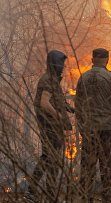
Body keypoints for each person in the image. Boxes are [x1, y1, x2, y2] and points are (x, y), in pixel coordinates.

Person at [74, 48, 111, 203]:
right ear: (107, 59)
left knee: (87, 169)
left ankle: (85, 198)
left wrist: (82, 127)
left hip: (89, 130)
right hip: (108, 130)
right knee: (107, 168)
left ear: (92, 59)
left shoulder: (83, 78)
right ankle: (109, 199)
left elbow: (78, 105)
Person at [25, 50, 73, 203]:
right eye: (62, 64)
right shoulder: (48, 80)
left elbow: (55, 100)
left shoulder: (52, 79)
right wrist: (58, 116)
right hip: (50, 126)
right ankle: (33, 191)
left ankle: (49, 192)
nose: (63, 68)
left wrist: (69, 108)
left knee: (51, 158)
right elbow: (44, 103)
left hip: (52, 126)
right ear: (56, 64)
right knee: (48, 158)